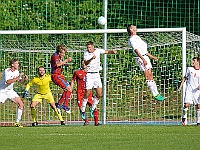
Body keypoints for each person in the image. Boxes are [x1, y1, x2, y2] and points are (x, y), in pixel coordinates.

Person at [127, 24, 165, 101]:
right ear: (131, 29)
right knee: (147, 76)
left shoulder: (137, 37)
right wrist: (143, 59)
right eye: (133, 26)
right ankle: (154, 93)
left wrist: (152, 57)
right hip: (141, 58)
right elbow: (136, 50)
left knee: (151, 75)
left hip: (145, 57)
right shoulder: (132, 39)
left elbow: (144, 51)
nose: (135, 27)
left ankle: (156, 93)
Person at [81, 41, 117, 120]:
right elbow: (86, 63)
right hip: (89, 74)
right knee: (87, 92)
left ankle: (92, 108)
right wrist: (91, 58)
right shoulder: (86, 53)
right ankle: (83, 109)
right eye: (87, 48)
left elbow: (106, 51)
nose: (88, 49)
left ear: (93, 47)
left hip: (96, 74)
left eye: (90, 47)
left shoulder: (98, 51)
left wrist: (112, 52)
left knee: (99, 94)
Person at [71, 60, 101, 126]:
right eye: (82, 63)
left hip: (88, 93)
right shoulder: (77, 72)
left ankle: (96, 122)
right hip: (80, 93)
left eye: (85, 63)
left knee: (93, 106)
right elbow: (73, 80)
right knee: (81, 108)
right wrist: (70, 90)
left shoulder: (90, 73)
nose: (84, 64)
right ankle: (86, 121)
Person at [0, 59, 28, 127]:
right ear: (12, 65)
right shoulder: (7, 71)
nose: (18, 65)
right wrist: (18, 77)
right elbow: (7, 82)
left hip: (10, 91)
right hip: (2, 90)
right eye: (16, 63)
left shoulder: (16, 71)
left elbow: (20, 81)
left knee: (21, 104)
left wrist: (24, 79)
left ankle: (17, 122)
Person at [178, 57, 200, 126]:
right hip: (189, 90)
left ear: (198, 62)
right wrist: (180, 87)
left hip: (197, 91)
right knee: (186, 104)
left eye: (194, 60)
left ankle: (198, 121)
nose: (192, 62)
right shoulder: (189, 69)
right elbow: (184, 78)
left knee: (198, 106)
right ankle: (184, 118)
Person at [50, 45, 72, 113]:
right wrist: (66, 60)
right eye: (63, 53)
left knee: (68, 89)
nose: (64, 54)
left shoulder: (58, 56)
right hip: (56, 75)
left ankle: (59, 104)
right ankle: (64, 105)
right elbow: (57, 64)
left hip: (59, 75)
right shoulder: (55, 55)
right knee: (69, 88)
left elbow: (58, 64)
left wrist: (64, 64)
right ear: (59, 52)